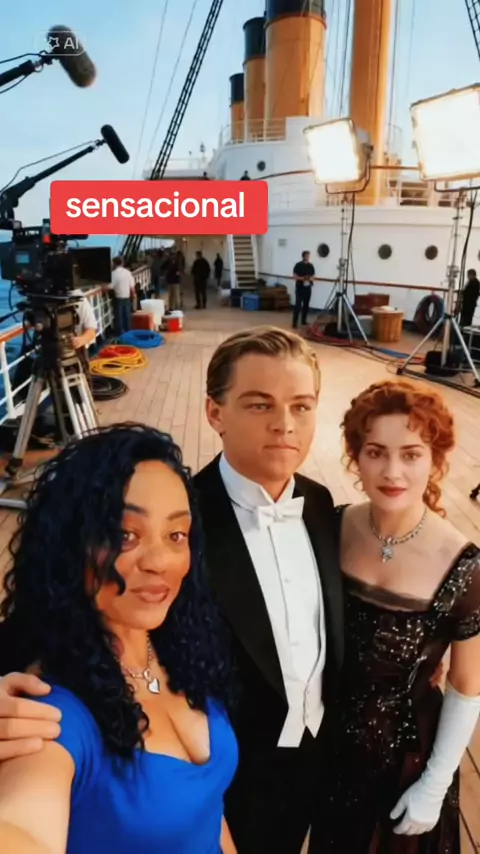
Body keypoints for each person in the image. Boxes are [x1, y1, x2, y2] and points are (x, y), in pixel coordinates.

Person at [0, 327, 343, 854]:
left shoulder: (321, 505)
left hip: (305, 773)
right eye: (259, 404)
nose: (284, 424)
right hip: (226, 787)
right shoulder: (185, 509)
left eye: (301, 406)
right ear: (214, 413)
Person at [0, 424, 237, 854]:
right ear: (71, 544)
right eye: (125, 534)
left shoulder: (176, 645)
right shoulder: (48, 712)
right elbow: (21, 828)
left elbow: (209, 810)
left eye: (176, 535)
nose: (160, 561)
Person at [309, 380, 480, 854]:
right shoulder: (333, 525)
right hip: (326, 746)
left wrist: (434, 783)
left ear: (435, 460)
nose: (392, 471)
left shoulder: (464, 566)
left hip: (404, 759)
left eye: (411, 454)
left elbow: (467, 686)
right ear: (356, 457)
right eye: (375, 452)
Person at [111, 256, 135, 336]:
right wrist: (133, 296)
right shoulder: (128, 272)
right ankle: (129, 334)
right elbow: (132, 287)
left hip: (118, 299)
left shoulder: (113, 274)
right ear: (122, 263)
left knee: (119, 319)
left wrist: (101, 287)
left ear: (114, 263)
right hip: (127, 298)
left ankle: (121, 336)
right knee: (127, 317)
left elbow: (109, 287)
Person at [292, 251, 315, 329]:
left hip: (308, 288)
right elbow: (295, 276)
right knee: (298, 305)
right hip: (300, 288)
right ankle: (294, 323)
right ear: (303, 256)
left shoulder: (311, 266)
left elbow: (313, 276)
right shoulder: (298, 265)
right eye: (306, 256)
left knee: (306, 305)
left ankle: (303, 320)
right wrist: (303, 278)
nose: (308, 257)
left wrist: (310, 278)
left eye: (308, 256)